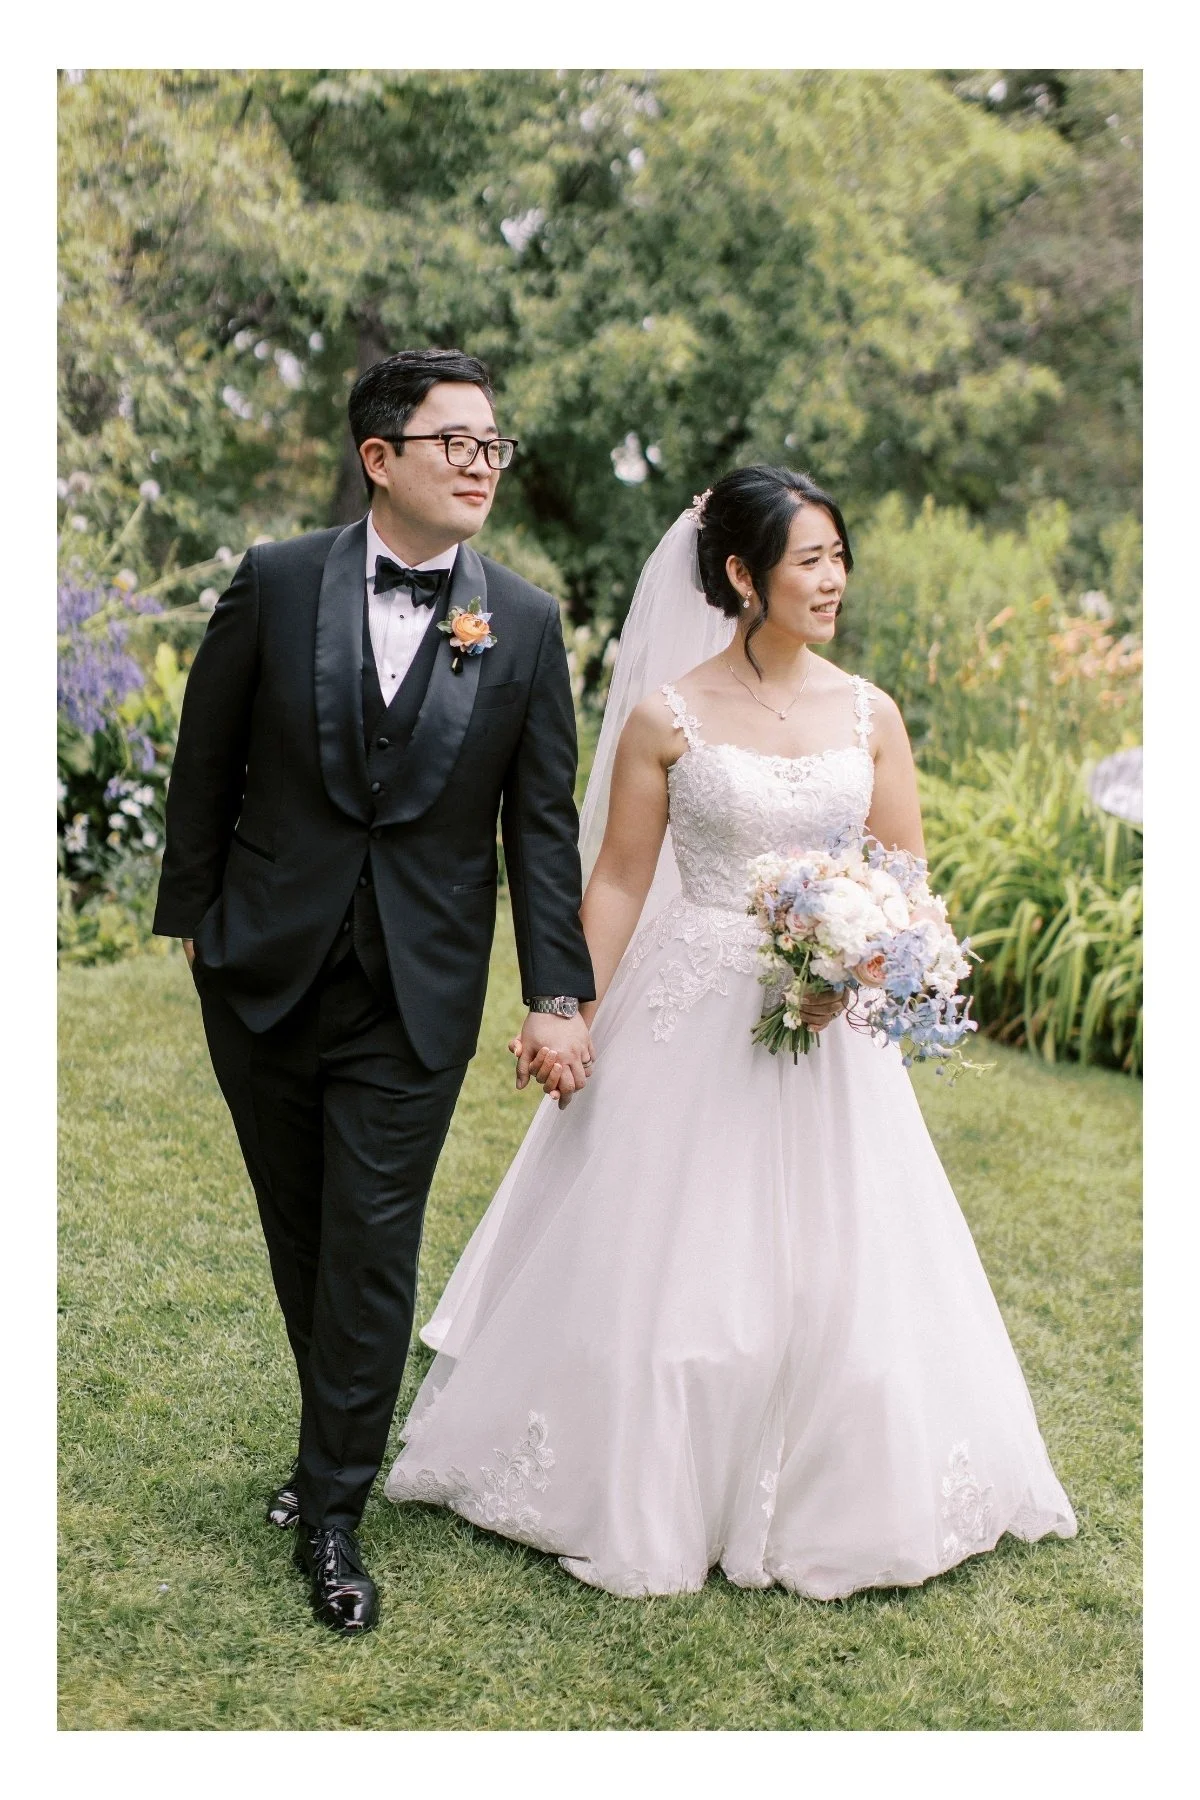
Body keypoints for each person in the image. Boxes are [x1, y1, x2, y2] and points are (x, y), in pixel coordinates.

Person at [383, 466, 1077, 1600]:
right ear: (745, 576)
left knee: (848, 1274)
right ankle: (646, 1474)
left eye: (840, 557)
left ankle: (838, 1482)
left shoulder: (869, 713)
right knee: (676, 1271)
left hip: (827, 1031)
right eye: (811, 560)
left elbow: (906, 882)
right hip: (688, 1010)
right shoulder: (670, 717)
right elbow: (614, 883)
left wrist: (852, 969)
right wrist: (567, 1007)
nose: (834, 579)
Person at [153, 348, 595, 1634]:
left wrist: (555, 988)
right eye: (453, 440)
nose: (479, 463)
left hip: (420, 986)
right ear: (379, 458)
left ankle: (334, 1507)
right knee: (305, 1229)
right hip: (263, 967)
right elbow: (206, 756)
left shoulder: (523, 620)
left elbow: (543, 827)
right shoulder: (278, 581)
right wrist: (195, 923)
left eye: (492, 445)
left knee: (373, 1243)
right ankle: (330, 1438)